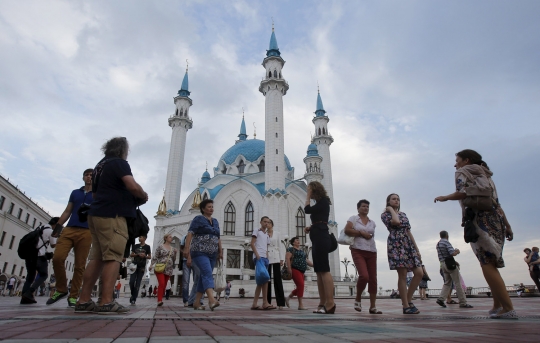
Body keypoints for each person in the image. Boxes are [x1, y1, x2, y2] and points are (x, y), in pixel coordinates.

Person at [434, 149, 516, 319]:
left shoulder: (463, 172)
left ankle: (508, 308)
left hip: (479, 220)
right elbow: (497, 202)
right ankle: (497, 304)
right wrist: (507, 225)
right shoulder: (486, 175)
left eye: (457, 160)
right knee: (492, 263)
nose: (455, 164)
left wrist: (445, 197)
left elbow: (462, 192)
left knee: (486, 263)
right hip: (497, 219)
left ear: (466, 160)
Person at [76, 137, 148, 314]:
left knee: (97, 258)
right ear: (123, 150)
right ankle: (107, 301)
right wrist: (143, 194)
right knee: (114, 256)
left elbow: (94, 195)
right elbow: (131, 185)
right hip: (112, 215)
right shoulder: (119, 163)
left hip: (96, 213)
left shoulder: (100, 166)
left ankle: (84, 300)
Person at [48, 169, 94, 307]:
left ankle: (73, 296)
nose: (89, 177)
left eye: (92, 175)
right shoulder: (75, 193)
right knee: (58, 258)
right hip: (70, 229)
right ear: (83, 177)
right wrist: (58, 227)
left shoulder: (98, 194)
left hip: (87, 232)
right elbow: (68, 211)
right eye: (87, 175)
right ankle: (61, 289)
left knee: (80, 266)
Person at [381, 193, 423, 314]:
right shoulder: (385, 215)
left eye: (398, 199)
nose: (396, 201)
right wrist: (390, 209)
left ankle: (408, 300)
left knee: (419, 273)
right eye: (393, 199)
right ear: (388, 201)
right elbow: (396, 222)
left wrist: (417, 249)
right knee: (403, 275)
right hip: (396, 244)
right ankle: (405, 305)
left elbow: (409, 231)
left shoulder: (403, 214)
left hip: (408, 244)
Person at [183, 199, 223, 311]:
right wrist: (187, 249)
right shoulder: (198, 219)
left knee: (203, 276)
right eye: (209, 207)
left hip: (212, 253)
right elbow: (190, 233)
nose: (211, 208)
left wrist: (220, 251)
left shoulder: (215, 221)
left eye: (212, 207)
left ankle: (196, 302)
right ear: (203, 209)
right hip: (199, 251)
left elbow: (218, 237)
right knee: (207, 273)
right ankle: (212, 299)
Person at [344, 199, 381, 314]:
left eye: (367, 207)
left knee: (373, 278)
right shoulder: (353, 219)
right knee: (364, 276)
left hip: (371, 251)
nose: (366, 208)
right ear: (358, 208)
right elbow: (347, 230)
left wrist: (367, 235)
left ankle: (373, 306)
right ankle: (358, 298)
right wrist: (361, 233)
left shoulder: (372, 222)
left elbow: (371, 235)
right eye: (363, 206)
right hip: (358, 250)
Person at [304, 181, 336, 314]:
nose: (308, 192)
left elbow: (307, 210)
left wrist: (307, 195)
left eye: (309, 189)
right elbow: (320, 219)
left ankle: (330, 303)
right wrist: (311, 227)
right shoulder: (320, 204)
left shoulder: (323, 201)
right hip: (317, 235)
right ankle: (322, 302)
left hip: (322, 237)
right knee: (318, 270)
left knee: (324, 269)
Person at [21, 217, 59, 304]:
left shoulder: (40, 227)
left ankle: (24, 298)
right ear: (55, 224)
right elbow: (53, 245)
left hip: (29, 255)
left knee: (30, 277)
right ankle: (30, 291)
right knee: (44, 275)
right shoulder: (51, 231)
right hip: (39, 256)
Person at [250, 216, 273, 310]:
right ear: (261, 222)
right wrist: (257, 255)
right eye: (264, 221)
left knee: (261, 281)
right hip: (259, 257)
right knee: (266, 279)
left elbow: (266, 246)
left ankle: (255, 303)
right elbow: (252, 243)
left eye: (268, 222)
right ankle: (265, 302)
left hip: (265, 258)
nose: (266, 223)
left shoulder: (266, 235)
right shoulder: (257, 230)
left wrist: (267, 256)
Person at [285, 236, 312, 310]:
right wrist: (289, 268)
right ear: (293, 242)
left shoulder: (301, 251)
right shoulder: (291, 249)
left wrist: (314, 265)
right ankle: (300, 305)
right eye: (297, 240)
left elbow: (306, 260)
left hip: (302, 270)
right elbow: (287, 258)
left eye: (299, 240)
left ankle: (288, 298)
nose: (298, 241)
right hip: (295, 269)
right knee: (301, 285)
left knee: (301, 286)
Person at [150, 233, 177, 306]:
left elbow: (173, 259)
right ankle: (159, 300)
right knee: (161, 283)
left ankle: (160, 299)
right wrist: (151, 265)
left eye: (171, 237)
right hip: (160, 267)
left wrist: (175, 253)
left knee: (164, 285)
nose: (171, 238)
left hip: (169, 269)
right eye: (170, 237)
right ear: (166, 238)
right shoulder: (160, 247)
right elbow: (155, 256)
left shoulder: (172, 248)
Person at [266, 218, 285, 309]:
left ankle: (281, 303)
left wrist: (282, 258)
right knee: (267, 279)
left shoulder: (277, 233)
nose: (268, 224)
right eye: (267, 223)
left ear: (272, 224)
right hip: (267, 257)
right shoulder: (264, 234)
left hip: (276, 256)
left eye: (270, 223)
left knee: (278, 279)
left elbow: (280, 246)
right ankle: (267, 302)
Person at [180, 234, 204, 307]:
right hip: (185, 260)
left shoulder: (199, 237)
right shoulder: (185, 237)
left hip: (196, 260)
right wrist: (185, 252)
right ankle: (186, 300)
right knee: (186, 282)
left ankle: (197, 299)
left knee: (197, 279)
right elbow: (181, 247)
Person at [129, 235, 151, 305]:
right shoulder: (135, 246)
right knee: (131, 282)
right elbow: (131, 255)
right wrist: (137, 254)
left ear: (144, 238)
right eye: (139, 237)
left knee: (138, 283)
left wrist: (145, 256)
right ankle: (133, 294)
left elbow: (149, 257)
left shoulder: (147, 247)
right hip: (134, 265)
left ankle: (133, 299)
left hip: (141, 267)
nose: (139, 238)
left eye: (141, 237)